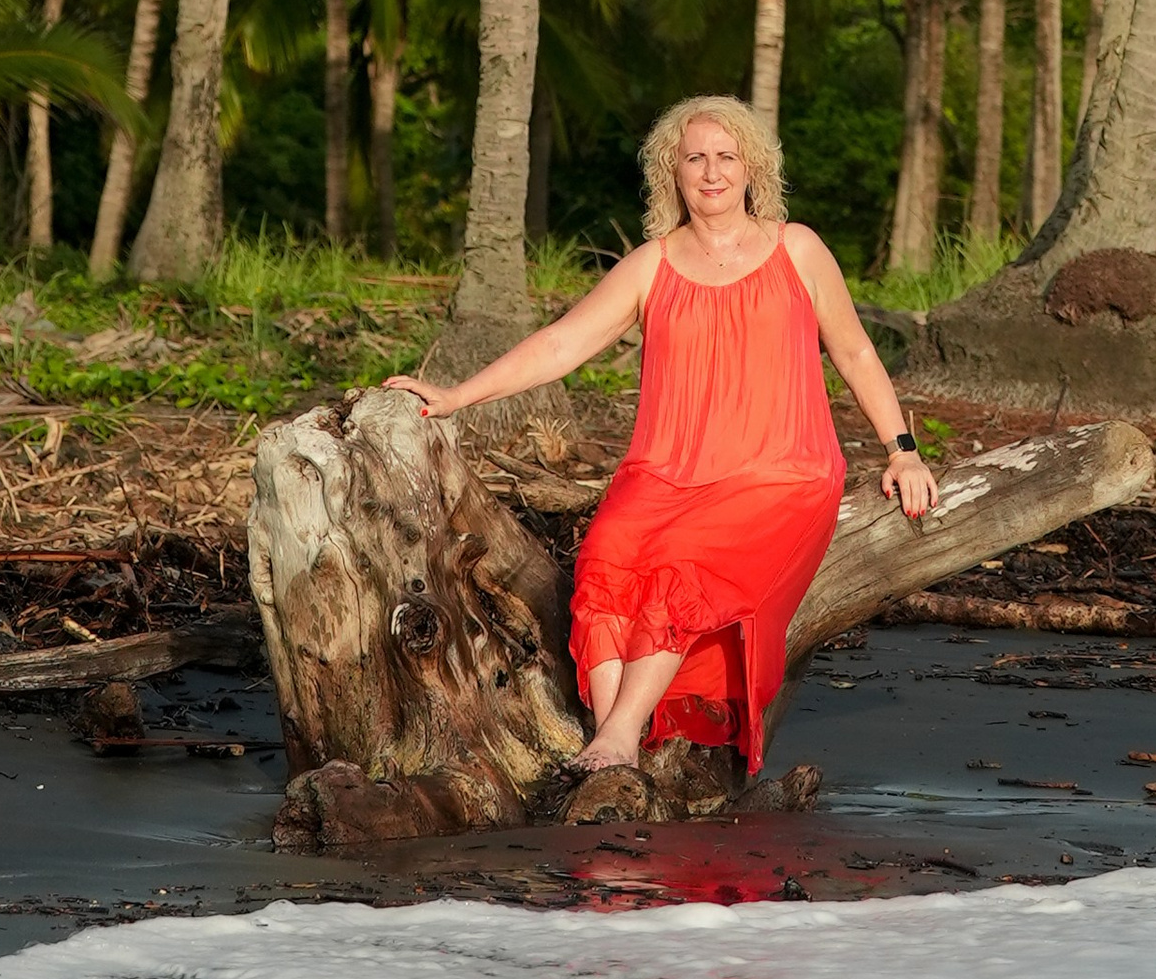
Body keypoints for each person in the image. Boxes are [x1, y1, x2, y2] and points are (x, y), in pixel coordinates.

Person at [387, 92, 939, 775]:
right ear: (671, 174)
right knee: (606, 560)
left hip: (780, 470)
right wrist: (456, 395)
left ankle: (618, 736)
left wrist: (902, 449)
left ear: (753, 167)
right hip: (666, 470)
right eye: (695, 158)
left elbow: (854, 351)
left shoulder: (798, 248)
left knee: (681, 564)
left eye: (726, 156)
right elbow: (562, 344)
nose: (711, 171)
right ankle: (620, 751)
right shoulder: (652, 264)